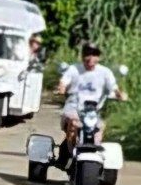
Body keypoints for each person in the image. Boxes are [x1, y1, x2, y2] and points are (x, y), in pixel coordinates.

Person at [54, 41, 128, 169]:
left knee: (100, 126)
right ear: (83, 55)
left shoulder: (105, 72)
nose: (90, 58)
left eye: (94, 54)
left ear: (98, 57)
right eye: (87, 54)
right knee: (73, 123)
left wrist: (119, 94)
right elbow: (64, 81)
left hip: (92, 112)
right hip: (73, 107)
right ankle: (71, 153)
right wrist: (61, 88)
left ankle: (95, 154)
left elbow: (113, 87)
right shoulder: (74, 69)